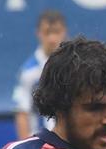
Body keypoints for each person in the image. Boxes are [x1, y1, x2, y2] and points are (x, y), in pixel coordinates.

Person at [13, 10, 68, 140]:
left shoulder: (75, 66)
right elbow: (21, 111)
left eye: (56, 32)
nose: (52, 38)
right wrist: (26, 146)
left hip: (69, 144)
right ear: (38, 33)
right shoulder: (29, 72)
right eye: (47, 32)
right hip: (39, 143)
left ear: (64, 32)